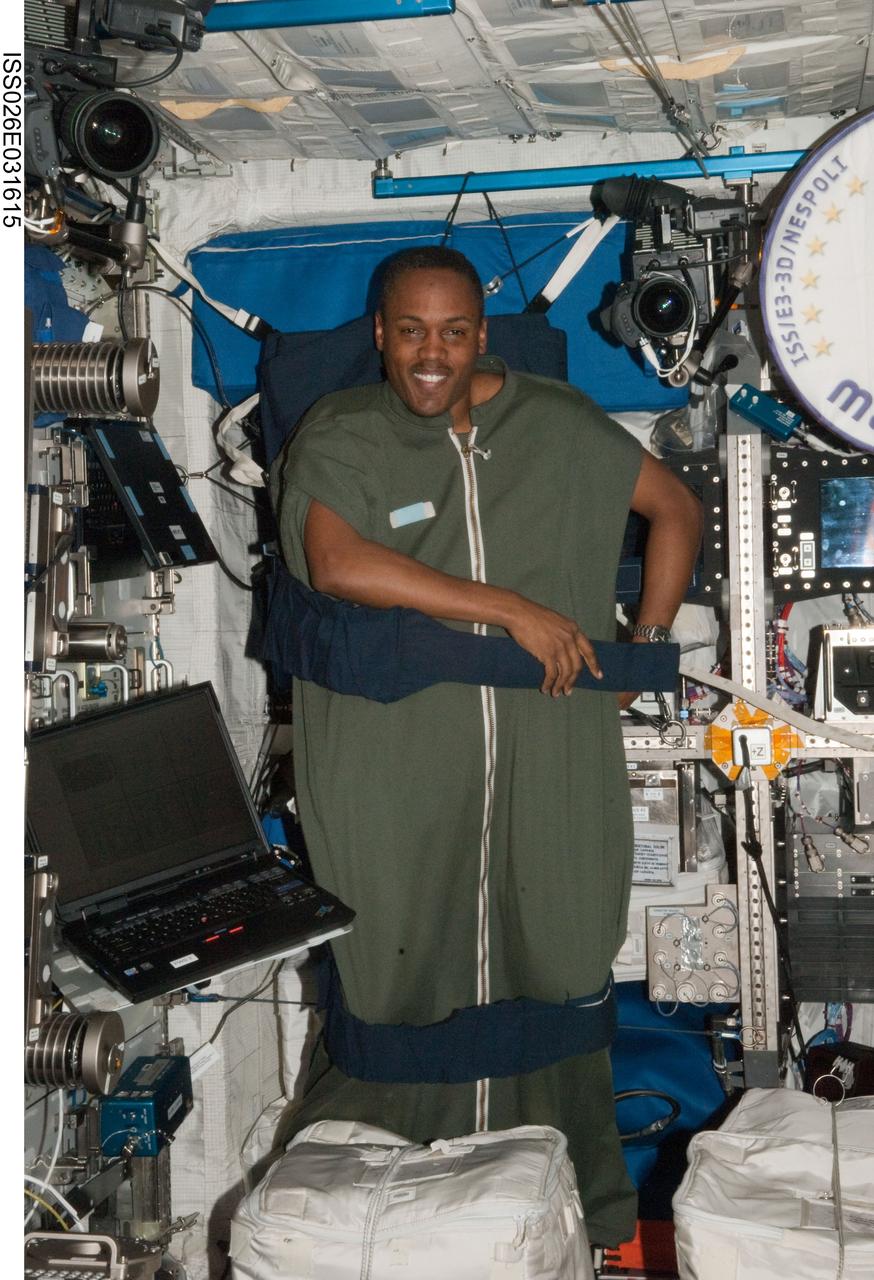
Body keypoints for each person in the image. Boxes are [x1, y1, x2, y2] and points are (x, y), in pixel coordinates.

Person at [269, 245, 703, 1247]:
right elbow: (337, 562)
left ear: (482, 335)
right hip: (393, 760)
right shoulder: (342, 431)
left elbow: (674, 507)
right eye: (410, 332)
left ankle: (560, 1221)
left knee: (556, 957)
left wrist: (640, 646)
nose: (432, 354)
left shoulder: (554, 422)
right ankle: (369, 1230)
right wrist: (510, 609)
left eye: (453, 332)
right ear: (380, 334)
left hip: (552, 757)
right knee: (395, 973)